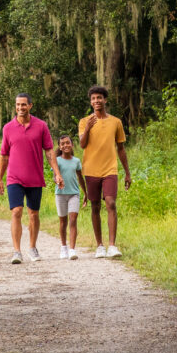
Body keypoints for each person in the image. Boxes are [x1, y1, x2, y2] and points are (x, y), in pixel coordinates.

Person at [0, 91, 52, 264]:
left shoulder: (41, 126)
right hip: (14, 178)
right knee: (16, 211)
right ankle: (16, 251)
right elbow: (4, 155)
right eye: (18, 104)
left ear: (30, 106)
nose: (20, 107)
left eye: (24, 104)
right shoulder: (8, 128)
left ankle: (32, 248)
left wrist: (56, 172)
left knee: (33, 214)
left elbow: (49, 150)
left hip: (35, 177)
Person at [78, 85, 131, 258]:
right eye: (93, 99)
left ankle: (112, 246)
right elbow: (82, 144)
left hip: (110, 169)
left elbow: (121, 148)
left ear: (105, 100)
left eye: (99, 98)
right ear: (91, 102)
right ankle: (99, 245)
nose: (96, 101)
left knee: (111, 203)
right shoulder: (84, 121)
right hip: (91, 169)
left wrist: (127, 173)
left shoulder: (115, 122)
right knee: (95, 207)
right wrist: (87, 129)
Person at [51, 136, 83, 259]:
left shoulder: (76, 161)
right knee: (63, 221)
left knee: (73, 219)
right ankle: (63, 247)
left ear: (72, 144)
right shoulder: (57, 160)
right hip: (60, 195)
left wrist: (85, 193)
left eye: (67, 143)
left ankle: (72, 249)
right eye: (62, 144)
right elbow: (54, 176)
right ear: (60, 147)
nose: (65, 145)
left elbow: (80, 178)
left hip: (74, 194)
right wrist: (57, 181)